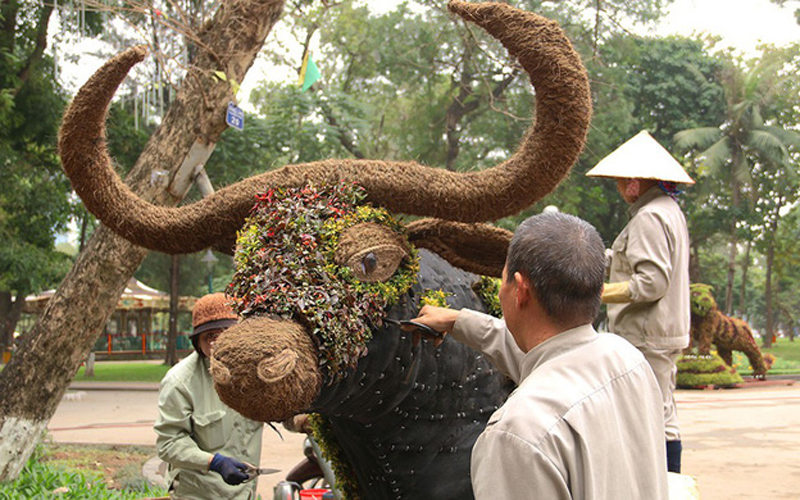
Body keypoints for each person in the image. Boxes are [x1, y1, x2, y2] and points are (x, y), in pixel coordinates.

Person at [409, 212, 668, 499]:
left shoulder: (517, 434)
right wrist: (458, 321)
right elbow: (543, 357)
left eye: (504, 279)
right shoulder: (629, 361)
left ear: (520, 289)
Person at [585, 130, 694, 473]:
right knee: (663, 410)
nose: (618, 188)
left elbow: (651, 283)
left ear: (634, 183)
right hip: (661, 331)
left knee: (654, 415)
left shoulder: (649, 217)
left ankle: (663, 485)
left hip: (647, 334)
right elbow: (631, 261)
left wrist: (594, 292)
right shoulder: (667, 210)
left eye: (619, 181)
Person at [155, 293, 264, 499]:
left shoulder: (256, 372)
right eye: (211, 336)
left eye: (227, 333)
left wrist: (301, 421)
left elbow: (278, 409)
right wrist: (214, 462)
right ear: (198, 342)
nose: (219, 342)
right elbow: (169, 443)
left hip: (246, 493)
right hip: (199, 493)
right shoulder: (179, 382)